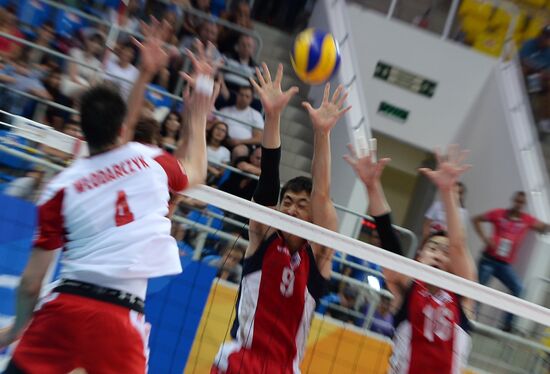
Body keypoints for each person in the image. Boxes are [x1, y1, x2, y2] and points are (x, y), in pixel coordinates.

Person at [0, 21, 218, 373]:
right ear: (121, 130)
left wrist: (16, 330)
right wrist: (198, 110)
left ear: (82, 130)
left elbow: (29, 284)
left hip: (64, 308)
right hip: (121, 319)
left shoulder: (63, 186)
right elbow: (197, 169)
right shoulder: (153, 163)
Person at [211, 64, 350, 373]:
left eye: (302, 205)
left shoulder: (320, 254)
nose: (291, 209)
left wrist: (322, 133)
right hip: (240, 360)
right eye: (287, 202)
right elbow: (269, 180)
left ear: (312, 217)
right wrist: (272, 116)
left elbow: (322, 195)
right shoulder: (264, 234)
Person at [345, 143, 477, 374]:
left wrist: (447, 192)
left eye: (446, 253)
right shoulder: (407, 286)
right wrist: (372, 186)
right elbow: (389, 243)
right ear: (418, 257)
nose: (439, 254)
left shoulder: (463, 293)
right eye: (433, 248)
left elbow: (458, 245)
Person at [472, 190, 550, 331]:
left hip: (504, 265)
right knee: (478, 290)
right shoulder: (499, 213)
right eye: (517, 201)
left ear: (524, 204)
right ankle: (470, 318)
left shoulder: (527, 220)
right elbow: (476, 219)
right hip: (488, 260)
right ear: (513, 200)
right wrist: (484, 238)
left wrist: (545, 227)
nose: (519, 204)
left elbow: (543, 227)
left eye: (522, 202)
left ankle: (507, 324)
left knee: (519, 289)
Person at [520, 25, 550, 133]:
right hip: (523, 76)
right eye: (545, 35)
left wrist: (544, 74)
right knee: (524, 70)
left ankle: (544, 120)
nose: (546, 39)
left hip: (538, 80)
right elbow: (524, 61)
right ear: (540, 34)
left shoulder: (548, 52)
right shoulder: (529, 43)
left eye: (548, 37)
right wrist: (539, 70)